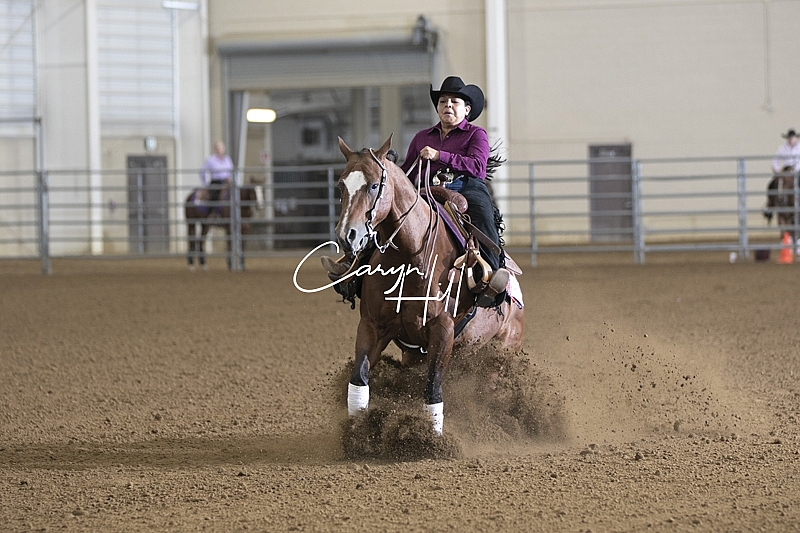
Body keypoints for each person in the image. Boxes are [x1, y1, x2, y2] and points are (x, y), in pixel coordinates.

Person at [322, 76, 508, 308]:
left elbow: (478, 168)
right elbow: (407, 174)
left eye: (454, 102)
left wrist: (440, 156)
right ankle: (354, 266)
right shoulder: (422, 137)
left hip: (466, 187)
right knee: (385, 216)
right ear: (437, 108)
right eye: (443, 101)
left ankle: (491, 276)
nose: (448, 105)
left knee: (483, 215)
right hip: (425, 190)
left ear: (467, 110)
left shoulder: (476, 134)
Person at [199, 141, 234, 209]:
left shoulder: (227, 159)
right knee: (213, 197)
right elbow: (202, 171)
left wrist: (230, 179)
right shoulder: (210, 160)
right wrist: (205, 184)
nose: (219, 150)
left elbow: (232, 171)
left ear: (224, 149)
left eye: (220, 148)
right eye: (217, 148)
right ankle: (212, 212)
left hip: (226, 182)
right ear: (215, 150)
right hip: (216, 182)